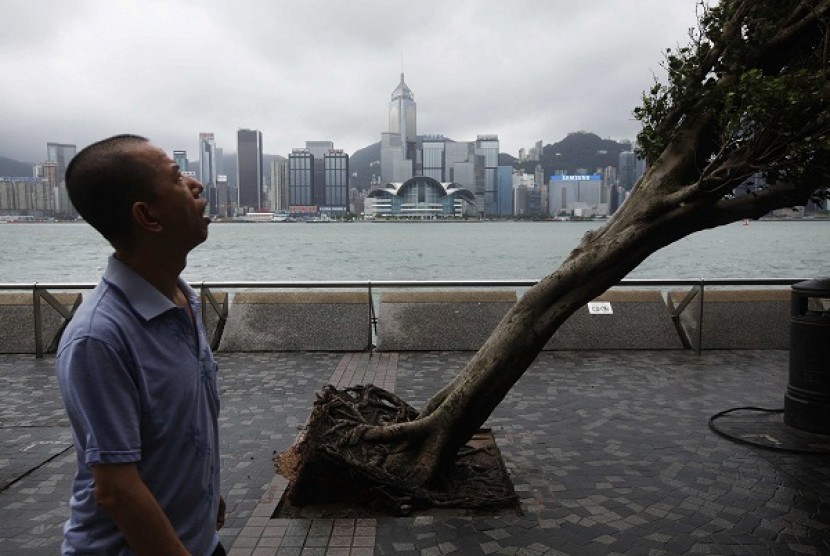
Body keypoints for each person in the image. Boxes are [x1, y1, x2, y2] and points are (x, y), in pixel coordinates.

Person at [55, 134, 225, 555]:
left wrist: (201, 494)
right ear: (148, 217)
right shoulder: (99, 337)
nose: (195, 185)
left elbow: (174, 429)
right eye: (176, 178)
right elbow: (116, 490)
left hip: (198, 540)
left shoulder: (181, 298)